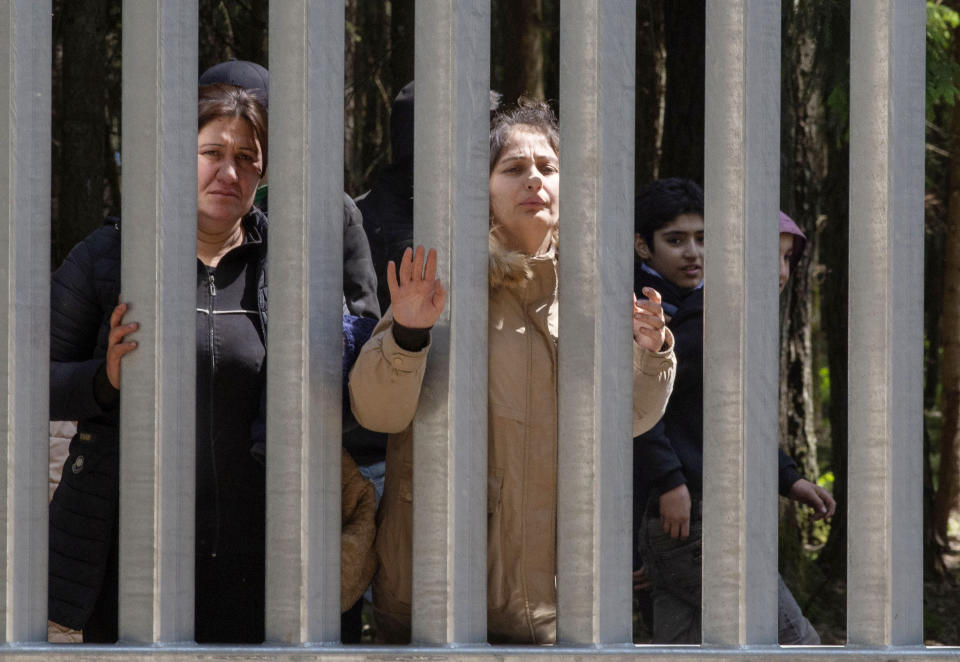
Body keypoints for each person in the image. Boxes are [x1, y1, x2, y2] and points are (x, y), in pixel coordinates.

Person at [47, 83, 376, 643]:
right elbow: (31, 379)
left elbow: (344, 380)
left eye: (247, 158)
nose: (230, 172)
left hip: (267, 558)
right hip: (132, 555)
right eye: (212, 154)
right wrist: (103, 382)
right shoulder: (109, 256)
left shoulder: (293, 263)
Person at [349, 99, 677, 644]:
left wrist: (651, 352)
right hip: (436, 602)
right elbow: (376, 409)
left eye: (547, 169)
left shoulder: (591, 295)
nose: (534, 181)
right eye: (514, 169)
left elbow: (632, 421)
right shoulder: (440, 284)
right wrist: (407, 334)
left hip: (560, 605)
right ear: (483, 190)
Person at [632, 179, 835, 644]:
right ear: (644, 244)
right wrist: (670, 482)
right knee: (795, 644)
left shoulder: (710, 308)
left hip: (693, 515)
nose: (693, 253)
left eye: (703, 239)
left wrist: (788, 477)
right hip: (685, 516)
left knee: (684, 649)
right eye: (676, 240)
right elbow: (637, 406)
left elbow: (728, 416)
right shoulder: (661, 312)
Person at [199, 59, 380, 322]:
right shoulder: (178, 215)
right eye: (214, 148)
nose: (229, 170)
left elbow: (364, 318)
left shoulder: (326, 208)